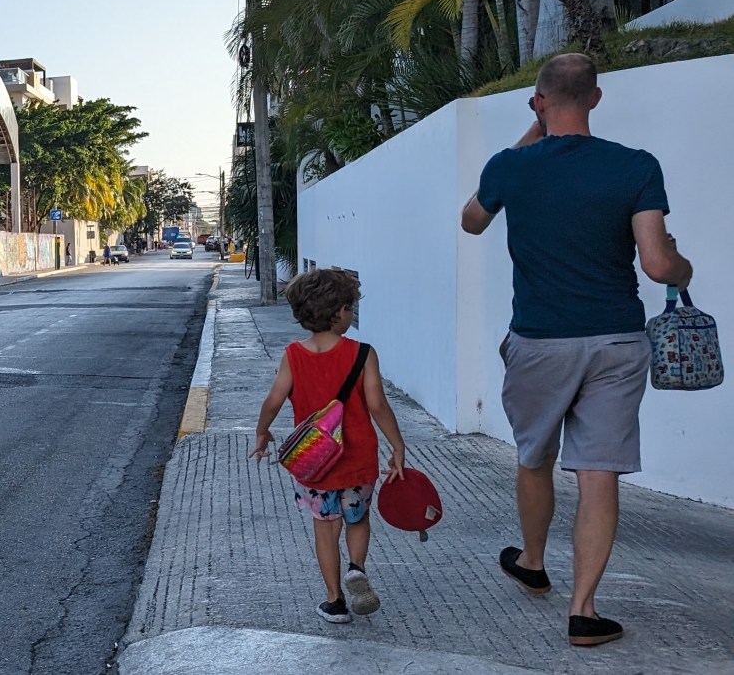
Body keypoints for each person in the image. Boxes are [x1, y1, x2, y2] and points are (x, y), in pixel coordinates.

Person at [460, 52, 693, 648]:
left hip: (539, 340)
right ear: (596, 98)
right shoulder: (636, 166)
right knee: (599, 472)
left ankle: (533, 562)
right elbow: (658, 264)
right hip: (616, 339)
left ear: (538, 102)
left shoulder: (510, 166)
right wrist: (683, 267)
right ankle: (584, 611)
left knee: (534, 457)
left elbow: (471, 221)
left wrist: (533, 131)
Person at [252, 267, 408, 624]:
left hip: (315, 464)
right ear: (339, 312)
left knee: (325, 527)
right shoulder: (363, 354)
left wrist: (263, 431)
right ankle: (356, 568)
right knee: (358, 518)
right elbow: (377, 404)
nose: (352, 314)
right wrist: (397, 445)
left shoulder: (293, 355)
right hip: (357, 461)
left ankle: (334, 600)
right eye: (350, 308)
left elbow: (274, 399)